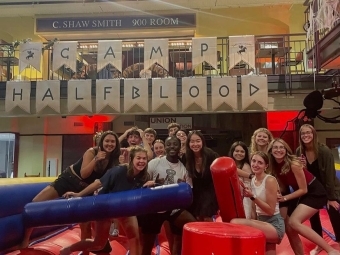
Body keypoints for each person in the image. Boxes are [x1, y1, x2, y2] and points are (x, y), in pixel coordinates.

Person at [20, 131, 120, 249]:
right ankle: (25, 240)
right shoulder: (91, 152)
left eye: (113, 141)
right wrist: (96, 159)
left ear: (116, 144)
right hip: (69, 179)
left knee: (85, 224)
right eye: (107, 141)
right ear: (101, 142)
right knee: (35, 204)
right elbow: (84, 174)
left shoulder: (114, 159)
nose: (109, 144)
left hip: (85, 188)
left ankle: (85, 252)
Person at [60, 146, 150, 255]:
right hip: (106, 207)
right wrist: (79, 194)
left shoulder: (144, 176)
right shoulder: (120, 170)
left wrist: (148, 186)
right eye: (138, 158)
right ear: (131, 159)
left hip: (124, 208)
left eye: (144, 159)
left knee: (135, 238)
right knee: (98, 244)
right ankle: (68, 249)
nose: (141, 161)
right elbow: (99, 182)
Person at [268, 138, 340, 255]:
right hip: (301, 194)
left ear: (286, 150)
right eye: (275, 148)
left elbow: (303, 189)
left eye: (282, 147)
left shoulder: (294, 164)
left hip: (314, 192)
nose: (279, 150)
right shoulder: (274, 166)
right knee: (290, 228)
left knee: (294, 222)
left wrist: (285, 198)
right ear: (270, 151)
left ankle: (331, 250)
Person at [138, 136, 196, 255]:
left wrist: (182, 189)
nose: (172, 147)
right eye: (169, 144)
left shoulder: (184, 168)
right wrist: (149, 184)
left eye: (175, 144)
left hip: (173, 208)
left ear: (180, 147)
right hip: (154, 207)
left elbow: (189, 190)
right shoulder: (155, 162)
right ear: (165, 147)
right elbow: (141, 180)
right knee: (147, 244)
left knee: (192, 226)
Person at [297, 124, 340, 255]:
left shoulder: (324, 151)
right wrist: (302, 168)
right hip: (313, 188)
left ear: (314, 134)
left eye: (308, 132)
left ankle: (339, 241)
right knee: (312, 214)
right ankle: (319, 243)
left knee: (334, 209)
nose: (306, 135)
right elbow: (302, 176)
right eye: (303, 133)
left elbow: (330, 175)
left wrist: (331, 198)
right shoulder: (299, 151)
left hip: (329, 186)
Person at [231, 151, 285, 255]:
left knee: (235, 222)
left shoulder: (270, 180)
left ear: (266, 166)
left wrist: (252, 197)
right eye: (254, 161)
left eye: (260, 162)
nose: (255, 164)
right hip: (263, 221)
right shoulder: (253, 180)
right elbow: (255, 208)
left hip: (274, 224)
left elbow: (270, 211)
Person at [184, 130, 219, 221]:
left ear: (202, 142)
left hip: (209, 191)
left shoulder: (210, 154)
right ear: (188, 143)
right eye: (192, 141)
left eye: (198, 141)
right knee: (197, 219)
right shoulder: (186, 157)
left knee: (207, 218)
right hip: (195, 192)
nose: (195, 144)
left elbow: (224, 166)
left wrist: (249, 175)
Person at [229, 141, 253, 219]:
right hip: (231, 198)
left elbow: (248, 187)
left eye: (242, 151)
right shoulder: (229, 163)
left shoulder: (246, 166)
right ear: (232, 151)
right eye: (237, 151)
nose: (239, 153)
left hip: (243, 199)